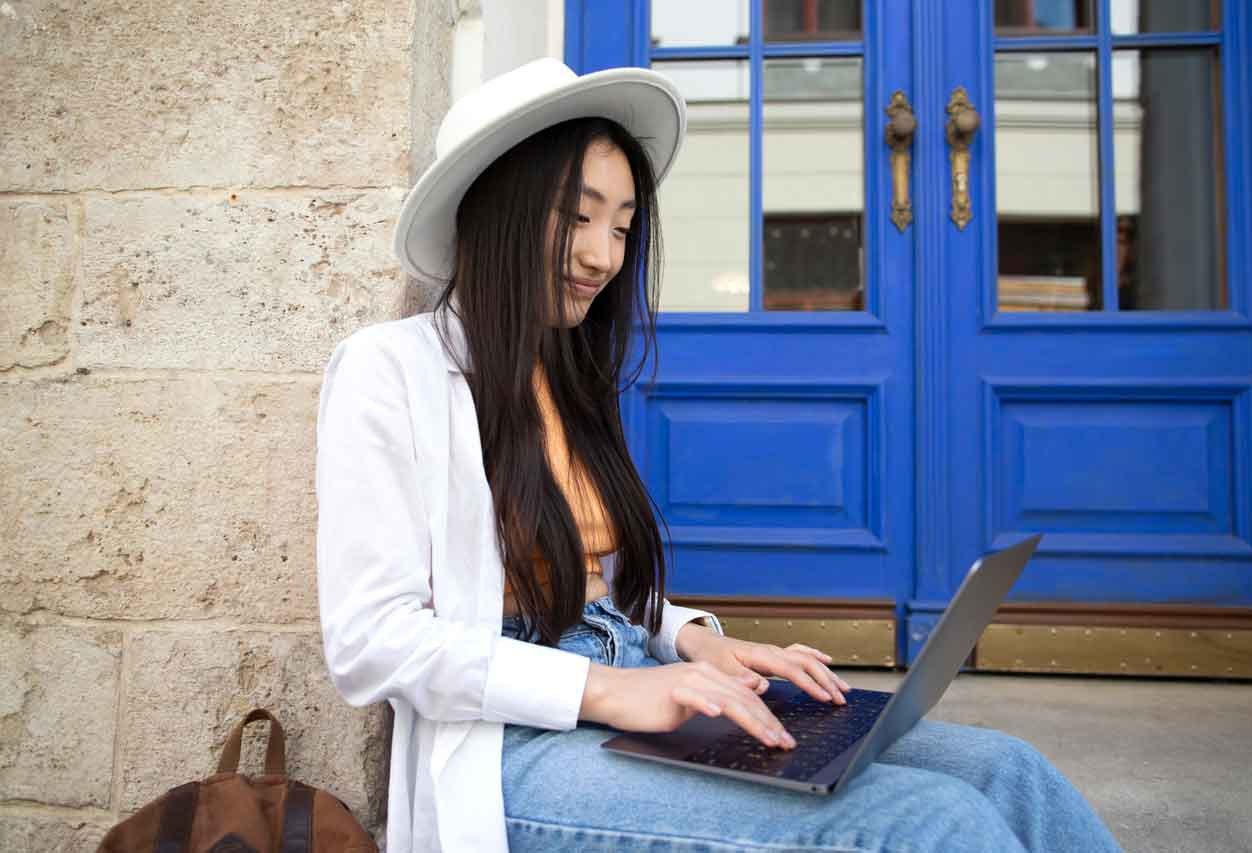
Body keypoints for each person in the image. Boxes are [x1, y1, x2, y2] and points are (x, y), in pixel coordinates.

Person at [315, 58, 1122, 853]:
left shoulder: (567, 375)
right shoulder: (390, 370)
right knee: (930, 823)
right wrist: (614, 690)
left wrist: (698, 642)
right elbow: (371, 639)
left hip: (634, 687)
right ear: (494, 208)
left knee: (1007, 772)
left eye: (624, 227)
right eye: (578, 215)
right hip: (511, 747)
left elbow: (595, 593)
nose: (604, 255)